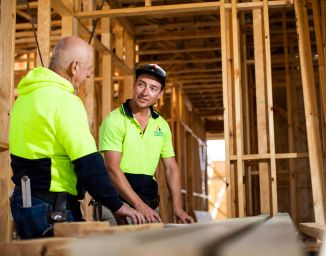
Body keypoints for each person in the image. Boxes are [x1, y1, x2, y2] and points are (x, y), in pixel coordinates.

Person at [9, 36, 145, 239]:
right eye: (89, 68)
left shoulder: (25, 98)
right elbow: (88, 162)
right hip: (52, 208)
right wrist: (116, 205)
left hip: (24, 203)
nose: (89, 75)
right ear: (75, 67)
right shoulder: (64, 101)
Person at [99, 64, 194, 224]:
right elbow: (112, 168)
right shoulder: (114, 120)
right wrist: (139, 205)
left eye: (153, 88)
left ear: (160, 94)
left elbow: (171, 167)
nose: (145, 92)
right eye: (141, 84)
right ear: (134, 85)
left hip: (147, 203)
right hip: (115, 204)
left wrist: (177, 207)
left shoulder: (162, 125)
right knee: (118, 249)